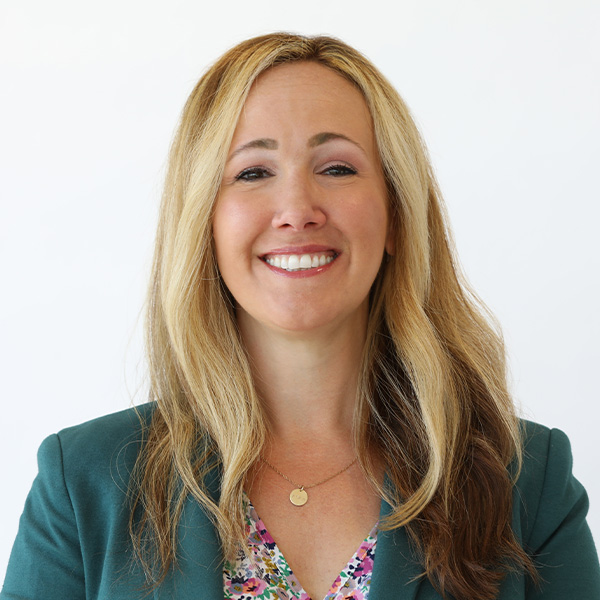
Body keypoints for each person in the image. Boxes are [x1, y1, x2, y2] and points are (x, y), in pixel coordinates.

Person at [1, 33, 599, 600]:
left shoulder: (527, 481)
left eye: (337, 168)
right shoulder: (82, 484)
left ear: (395, 212)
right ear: (203, 225)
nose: (296, 210)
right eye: (253, 172)